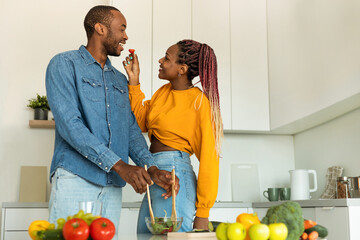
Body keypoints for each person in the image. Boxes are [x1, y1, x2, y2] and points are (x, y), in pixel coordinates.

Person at [45, 5, 178, 238]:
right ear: (100, 28)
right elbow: (70, 125)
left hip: (112, 186)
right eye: (122, 29)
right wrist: (120, 165)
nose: (126, 36)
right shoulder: (64, 64)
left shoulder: (118, 79)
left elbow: (130, 130)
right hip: (76, 178)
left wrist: (152, 168)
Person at [123, 39, 223, 232]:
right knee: (144, 236)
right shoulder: (163, 92)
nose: (160, 60)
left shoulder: (199, 102)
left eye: (167, 58)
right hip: (154, 172)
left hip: (175, 174)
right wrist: (134, 82)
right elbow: (140, 122)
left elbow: (210, 160)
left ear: (182, 68)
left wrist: (203, 213)